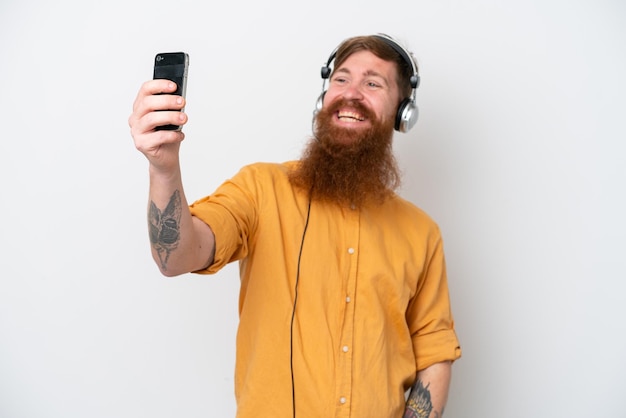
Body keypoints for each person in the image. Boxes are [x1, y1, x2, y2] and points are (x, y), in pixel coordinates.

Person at [129, 33, 461, 418]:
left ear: (403, 112)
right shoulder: (260, 188)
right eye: (341, 79)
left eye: (373, 83)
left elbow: (434, 351)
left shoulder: (422, 233)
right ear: (324, 96)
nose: (350, 93)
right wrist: (163, 167)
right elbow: (177, 257)